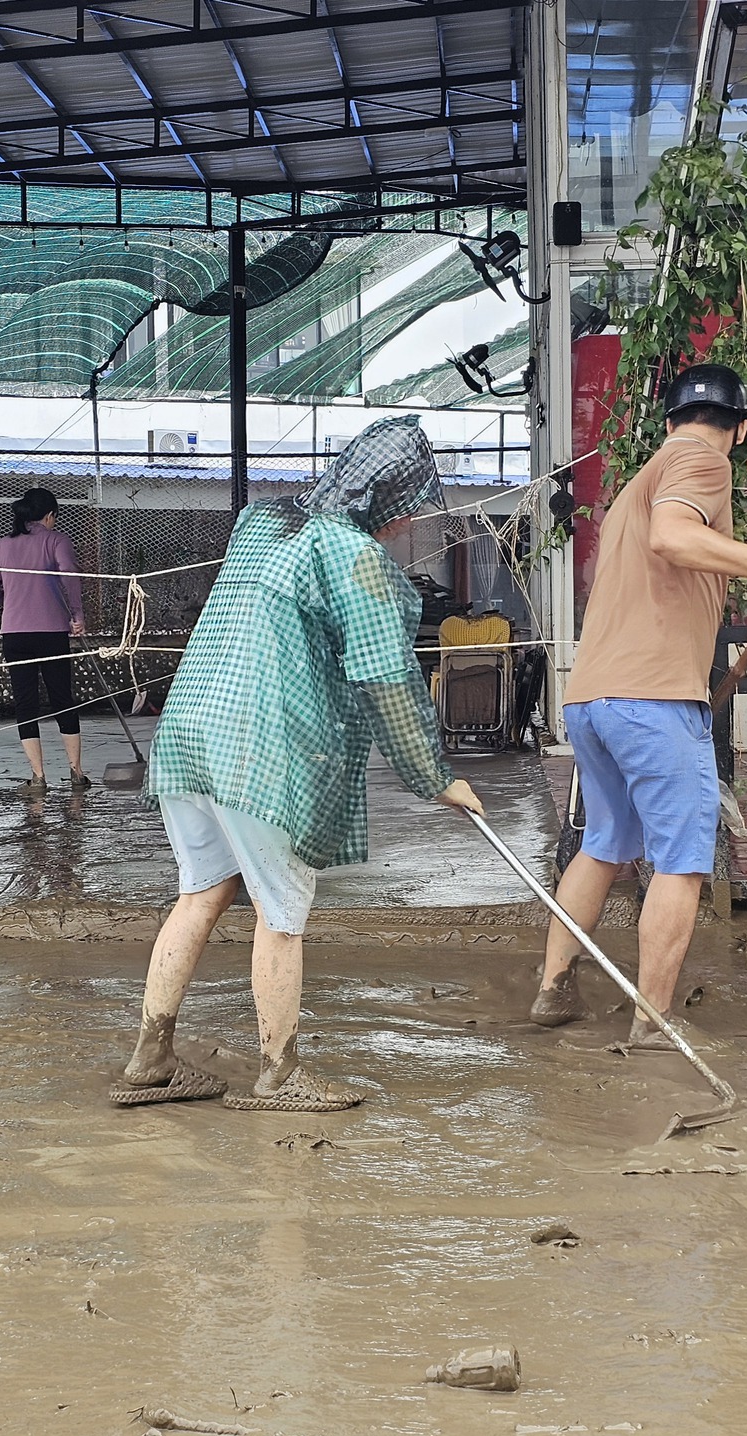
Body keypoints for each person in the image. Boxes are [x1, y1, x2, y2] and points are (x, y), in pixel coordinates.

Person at [111, 415, 483, 1112]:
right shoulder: (353, 555)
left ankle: (152, 1057)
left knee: (202, 892)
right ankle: (280, 1074)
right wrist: (436, 778)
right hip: (260, 749)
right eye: (409, 509)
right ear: (389, 502)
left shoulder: (261, 526)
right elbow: (386, 679)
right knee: (281, 914)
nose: (408, 524)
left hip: (191, 730)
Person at [533, 364, 747, 1045]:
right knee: (683, 862)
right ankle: (652, 1022)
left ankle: (553, 987)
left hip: (594, 698)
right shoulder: (702, 460)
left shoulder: (642, 477)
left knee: (605, 844)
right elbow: (674, 536)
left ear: (667, 420)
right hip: (653, 702)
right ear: (744, 429)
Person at [0, 488, 87, 792]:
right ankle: (76, 772)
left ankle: (38, 777)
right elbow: (71, 577)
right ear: (50, 515)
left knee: (25, 703)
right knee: (62, 698)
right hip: (52, 632)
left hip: (15, 634)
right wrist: (77, 616)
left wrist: (14, 599)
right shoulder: (57, 540)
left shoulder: (2, 545)